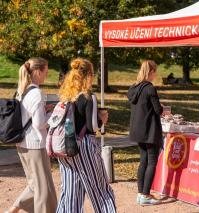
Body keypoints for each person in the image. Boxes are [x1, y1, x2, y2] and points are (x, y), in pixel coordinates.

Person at [56, 58, 116, 212]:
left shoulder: (66, 96)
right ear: (89, 75)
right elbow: (92, 126)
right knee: (100, 190)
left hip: (64, 147)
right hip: (84, 147)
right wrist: (102, 119)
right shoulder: (88, 96)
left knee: (70, 192)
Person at [6, 58, 57, 213]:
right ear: (38, 71)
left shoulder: (22, 91)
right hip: (35, 144)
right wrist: (56, 114)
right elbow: (40, 124)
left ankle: (12, 210)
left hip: (22, 143)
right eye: (45, 72)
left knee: (35, 185)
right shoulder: (37, 93)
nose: (46, 76)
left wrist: (45, 110)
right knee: (43, 188)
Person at [127, 60, 163, 205]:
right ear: (151, 72)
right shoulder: (150, 88)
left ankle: (141, 193)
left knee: (143, 161)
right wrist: (163, 108)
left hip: (138, 130)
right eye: (155, 72)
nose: (156, 75)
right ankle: (146, 195)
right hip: (150, 130)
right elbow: (157, 110)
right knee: (151, 161)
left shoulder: (134, 88)